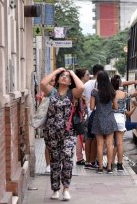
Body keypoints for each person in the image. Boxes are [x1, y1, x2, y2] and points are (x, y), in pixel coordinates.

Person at [40, 68, 84, 201]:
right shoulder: (51, 92)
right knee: (54, 162)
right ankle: (55, 189)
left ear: (70, 81)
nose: (65, 78)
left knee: (67, 159)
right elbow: (43, 83)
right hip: (51, 132)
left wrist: (71, 73)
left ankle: (66, 189)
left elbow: (81, 86)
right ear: (58, 79)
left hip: (68, 133)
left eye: (67, 77)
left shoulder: (73, 93)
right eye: (62, 76)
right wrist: (57, 71)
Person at [90, 71, 119, 174]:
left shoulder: (94, 92)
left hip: (98, 119)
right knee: (110, 144)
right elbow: (115, 107)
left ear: (98, 80)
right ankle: (110, 167)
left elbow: (92, 107)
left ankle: (101, 168)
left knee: (100, 144)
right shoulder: (112, 92)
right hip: (110, 119)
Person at [110, 75, 137, 172]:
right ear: (119, 84)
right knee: (120, 143)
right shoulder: (124, 94)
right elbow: (135, 94)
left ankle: (110, 164)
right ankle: (120, 165)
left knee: (111, 144)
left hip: (110, 119)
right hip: (120, 119)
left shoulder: (109, 94)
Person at [83, 64, 103, 170]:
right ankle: (93, 160)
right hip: (97, 114)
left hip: (88, 114)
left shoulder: (86, 85)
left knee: (88, 139)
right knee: (96, 139)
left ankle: (87, 161)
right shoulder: (102, 84)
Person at [35, 77, 56, 174]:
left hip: (59, 122)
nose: (53, 82)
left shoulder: (58, 90)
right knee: (48, 144)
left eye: (54, 80)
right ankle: (48, 165)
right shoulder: (50, 91)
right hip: (49, 121)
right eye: (51, 80)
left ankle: (54, 164)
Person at [74, 68, 90, 166]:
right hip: (79, 115)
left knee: (81, 136)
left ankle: (80, 157)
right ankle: (79, 158)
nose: (89, 76)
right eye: (87, 74)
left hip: (81, 114)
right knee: (80, 137)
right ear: (82, 76)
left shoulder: (83, 86)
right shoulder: (80, 87)